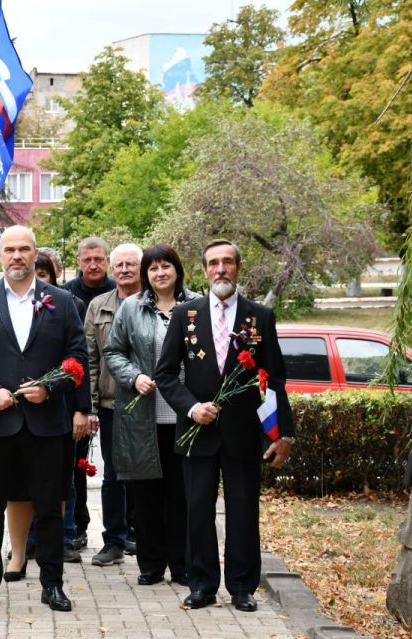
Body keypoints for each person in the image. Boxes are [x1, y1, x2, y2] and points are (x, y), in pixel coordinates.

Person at [0, 225, 90, 612]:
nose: (16, 256)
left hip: (46, 423)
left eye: (24, 249)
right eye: (9, 249)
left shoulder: (61, 302)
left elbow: (78, 358)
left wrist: (52, 388)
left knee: (48, 507)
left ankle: (52, 584)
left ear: (34, 254)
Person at [154, 238, 294, 613]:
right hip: (198, 430)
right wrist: (190, 408)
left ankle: (242, 586)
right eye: (213, 263)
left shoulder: (259, 316)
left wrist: (281, 434)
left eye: (227, 262)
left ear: (238, 267)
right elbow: (166, 374)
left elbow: (274, 379)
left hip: (243, 433)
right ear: (203, 270)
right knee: (197, 510)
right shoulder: (186, 314)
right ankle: (201, 584)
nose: (220, 269)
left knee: (243, 510)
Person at [103, 244, 196, 587]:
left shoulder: (195, 306)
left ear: (177, 270)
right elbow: (113, 351)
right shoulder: (131, 307)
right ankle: (151, 564)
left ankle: (182, 563)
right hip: (143, 416)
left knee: (182, 496)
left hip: (185, 416)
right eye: (153, 268)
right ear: (146, 274)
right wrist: (133, 376)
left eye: (166, 266)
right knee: (146, 498)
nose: (160, 273)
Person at [4, 254, 87, 579]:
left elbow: (80, 362)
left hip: (58, 408)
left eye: (44, 273)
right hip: (13, 409)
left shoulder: (69, 305)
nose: (38, 278)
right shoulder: (4, 304)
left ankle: (55, 552)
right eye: (34, 272)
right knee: (18, 486)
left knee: (56, 487)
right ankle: (20, 553)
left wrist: (82, 408)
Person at [85, 243, 143, 567]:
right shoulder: (98, 306)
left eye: (130, 264)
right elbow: (90, 360)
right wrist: (91, 407)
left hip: (150, 403)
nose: (123, 270)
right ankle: (114, 540)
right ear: (112, 267)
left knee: (148, 473)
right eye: (119, 264)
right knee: (113, 475)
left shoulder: (154, 302)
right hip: (110, 403)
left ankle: (148, 537)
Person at [62, 236, 115, 548]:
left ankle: (122, 531)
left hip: (110, 390)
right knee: (74, 465)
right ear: (78, 261)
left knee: (116, 468)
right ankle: (77, 525)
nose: (93, 264)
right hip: (75, 394)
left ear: (105, 260)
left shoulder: (117, 291)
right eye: (87, 259)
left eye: (99, 258)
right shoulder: (66, 294)